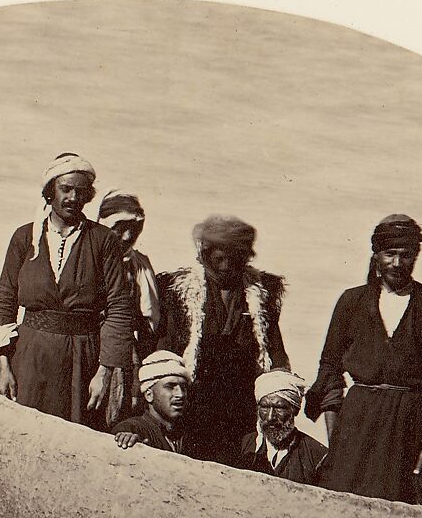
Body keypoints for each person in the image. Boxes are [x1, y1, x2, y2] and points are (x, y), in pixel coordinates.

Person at [305, 214, 422, 504]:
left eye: (406, 255)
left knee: (406, 505)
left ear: (416, 256)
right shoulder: (351, 302)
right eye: (389, 254)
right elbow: (329, 367)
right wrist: (336, 432)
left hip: (410, 425)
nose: (397, 263)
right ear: (376, 255)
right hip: (356, 421)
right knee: (344, 506)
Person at [0, 153, 135, 428]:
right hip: (30, 358)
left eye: (80, 191)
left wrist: (104, 372)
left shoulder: (103, 240)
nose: (73, 197)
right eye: (66, 189)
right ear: (50, 191)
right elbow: (4, 302)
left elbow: (119, 307)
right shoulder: (24, 238)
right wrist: (4, 368)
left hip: (83, 360)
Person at [154, 215, 289, 465]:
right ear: (204, 253)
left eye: (235, 258)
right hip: (195, 401)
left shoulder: (261, 296)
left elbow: (274, 351)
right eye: (219, 258)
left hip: (242, 402)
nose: (226, 266)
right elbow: (167, 350)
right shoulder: (180, 292)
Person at [95, 190, 161, 419]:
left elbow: (149, 318)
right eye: (119, 228)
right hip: (86, 346)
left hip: (124, 354)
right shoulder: (86, 258)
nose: (126, 237)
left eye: (133, 230)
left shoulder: (139, 265)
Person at [238, 370, 327, 485]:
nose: (270, 417)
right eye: (264, 407)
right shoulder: (245, 445)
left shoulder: (317, 456)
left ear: (295, 410)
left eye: (279, 408)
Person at [111, 350, 190, 453]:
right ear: (149, 395)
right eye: (170, 387)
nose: (181, 394)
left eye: (183, 387)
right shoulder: (131, 429)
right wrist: (126, 441)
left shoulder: (190, 433)